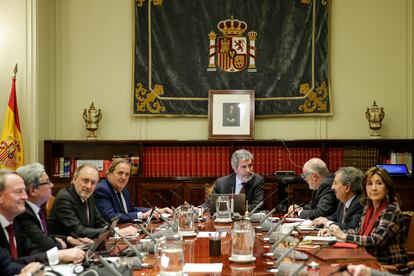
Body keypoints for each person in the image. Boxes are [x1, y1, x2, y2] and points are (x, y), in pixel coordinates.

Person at [327, 167, 408, 268]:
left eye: (379, 183)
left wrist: (344, 236)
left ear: (387, 188)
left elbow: (376, 240)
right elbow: (358, 231)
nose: (374, 188)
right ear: (365, 188)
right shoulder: (368, 207)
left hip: (388, 266)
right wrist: (335, 231)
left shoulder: (391, 210)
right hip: (367, 259)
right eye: (369, 184)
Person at [0, 172, 85, 265]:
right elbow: (8, 265)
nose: (25, 196)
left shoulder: (13, 222)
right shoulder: (21, 216)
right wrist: (58, 255)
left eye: (24, 191)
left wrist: (59, 255)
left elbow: (32, 250)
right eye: (19, 192)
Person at [15, 163, 93, 251]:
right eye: (48, 182)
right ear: (33, 190)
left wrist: (67, 239)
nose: (52, 185)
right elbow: (44, 244)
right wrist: (60, 244)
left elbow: (44, 235)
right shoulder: (23, 213)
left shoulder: (38, 209)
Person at [48, 163, 137, 239]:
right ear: (75, 179)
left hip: (87, 245)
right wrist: (114, 233)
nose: (89, 186)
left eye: (93, 183)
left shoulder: (88, 194)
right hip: (66, 249)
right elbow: (78, 231)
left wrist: (115, 231)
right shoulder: (65, 198)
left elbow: (99, 221)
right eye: (85, 181)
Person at [94, 158, 173, 223]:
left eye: (127, 174)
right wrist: (142, 215)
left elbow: (131, 210)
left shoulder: (123, 189)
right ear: (109, 173)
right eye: (120, 173)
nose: (124, 177)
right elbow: (111, 217)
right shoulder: (102, 190)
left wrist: (155, 210)